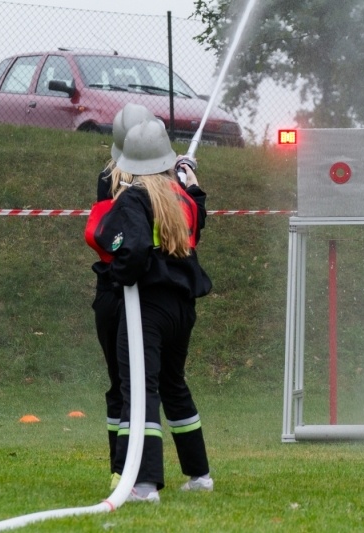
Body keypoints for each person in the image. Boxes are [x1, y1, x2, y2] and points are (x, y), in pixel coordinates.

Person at [93, 119, 214, 503]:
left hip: (146, 309)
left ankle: (142, 485)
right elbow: (199, 214)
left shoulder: (132, 198)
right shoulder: (180, 197)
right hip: (182, 308)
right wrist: (190, 179)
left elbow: (132, 249)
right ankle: (199, 475)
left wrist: (116, 276)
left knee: (139, 392)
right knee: (174, 386)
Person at [84, 103, 155, 489]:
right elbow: (106, 237)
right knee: (123, 382)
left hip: (144, 297)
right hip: (117, 293)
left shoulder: (163, 182)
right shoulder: (110, 180)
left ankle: (136, 468)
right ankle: (121, 467)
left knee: (138, 384)